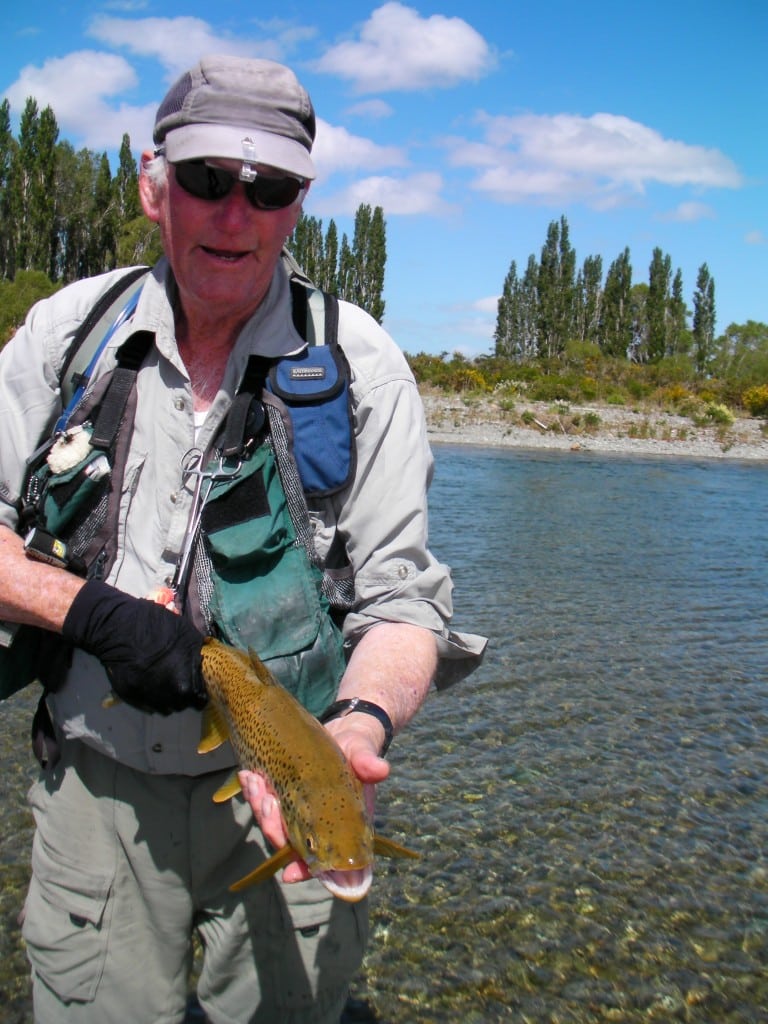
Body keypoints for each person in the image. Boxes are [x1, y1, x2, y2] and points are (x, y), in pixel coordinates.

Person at [0, 54, 485, 1023]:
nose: (235, 213)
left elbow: (403, 609)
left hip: (297, 795)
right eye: (208, 179)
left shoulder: (367, 370)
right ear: (153, 186)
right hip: (99, 790)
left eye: (267, 188)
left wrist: (361, 725)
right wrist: (87, 609)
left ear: (300, 203)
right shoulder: (64, 340)